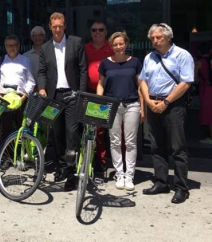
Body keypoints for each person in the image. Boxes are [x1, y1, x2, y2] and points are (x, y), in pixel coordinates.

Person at [139, 23, 194, 204]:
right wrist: (147, 101)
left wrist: (167, 102)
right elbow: (143, 81)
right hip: (153, 103)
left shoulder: (182, 55)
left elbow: (185, 83)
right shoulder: (149, 57)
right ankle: (161, 182)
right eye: (153, 38)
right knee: (157, 145)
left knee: (177, 148)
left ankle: (181, 187)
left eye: (159, 37)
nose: (155, 40)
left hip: (173, 105)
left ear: (168, 37)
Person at [37, 12, 88, 191]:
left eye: (60, 26)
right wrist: (42, 88)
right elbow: (42, 71)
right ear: (50, 28)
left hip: (73, 95)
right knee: (56, 134)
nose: (57, 29)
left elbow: (83, 70)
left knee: (71, 133)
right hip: (53, 97)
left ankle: (72, 171)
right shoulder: (45, 48)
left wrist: (81, 93)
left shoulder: (76, 42)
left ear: (64, 26)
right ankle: (61, 167)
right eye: (54, 26)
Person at [96, 32, 144, 191]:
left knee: (130, 142)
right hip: (112, 105)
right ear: (111, 45)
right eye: (115, 44)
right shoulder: (105, 63)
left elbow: (141, 86)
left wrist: (143, 107)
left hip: (132, 105)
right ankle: (119, 173)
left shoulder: (135, 62)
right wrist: (98, 104)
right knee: (115, 141)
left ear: (126, 44)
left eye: (121, 44)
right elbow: (100, 85)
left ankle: (129, 175)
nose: (118, 47)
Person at [0, 34, 35, 142]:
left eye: (14, 45)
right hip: (4, 99)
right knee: (5, 130)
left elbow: (31, 81)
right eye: (8, 45)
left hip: (21, 99)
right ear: (5, 47)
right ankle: (6, 156)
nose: (11, 48)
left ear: (18, 46)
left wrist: (23, 98)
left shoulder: (25, 60)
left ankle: (24, 155)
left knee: (23, 129)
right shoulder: (0, 60)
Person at [85, 21, 114, 174]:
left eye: (100, 30)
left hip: (108, 93)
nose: (97, 32)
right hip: (89, 93)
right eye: (94, 30)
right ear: (91, 33)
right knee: (94, 129)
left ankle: (103, 162)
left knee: (109, 130)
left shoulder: (112, 48)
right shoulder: (84, 48)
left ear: (105, 32)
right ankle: (93, 162)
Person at [194, 41, 212, 144]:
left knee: (208, 113)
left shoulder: (199, 62)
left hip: (206, 89)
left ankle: (210, 137)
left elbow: (195, 78)